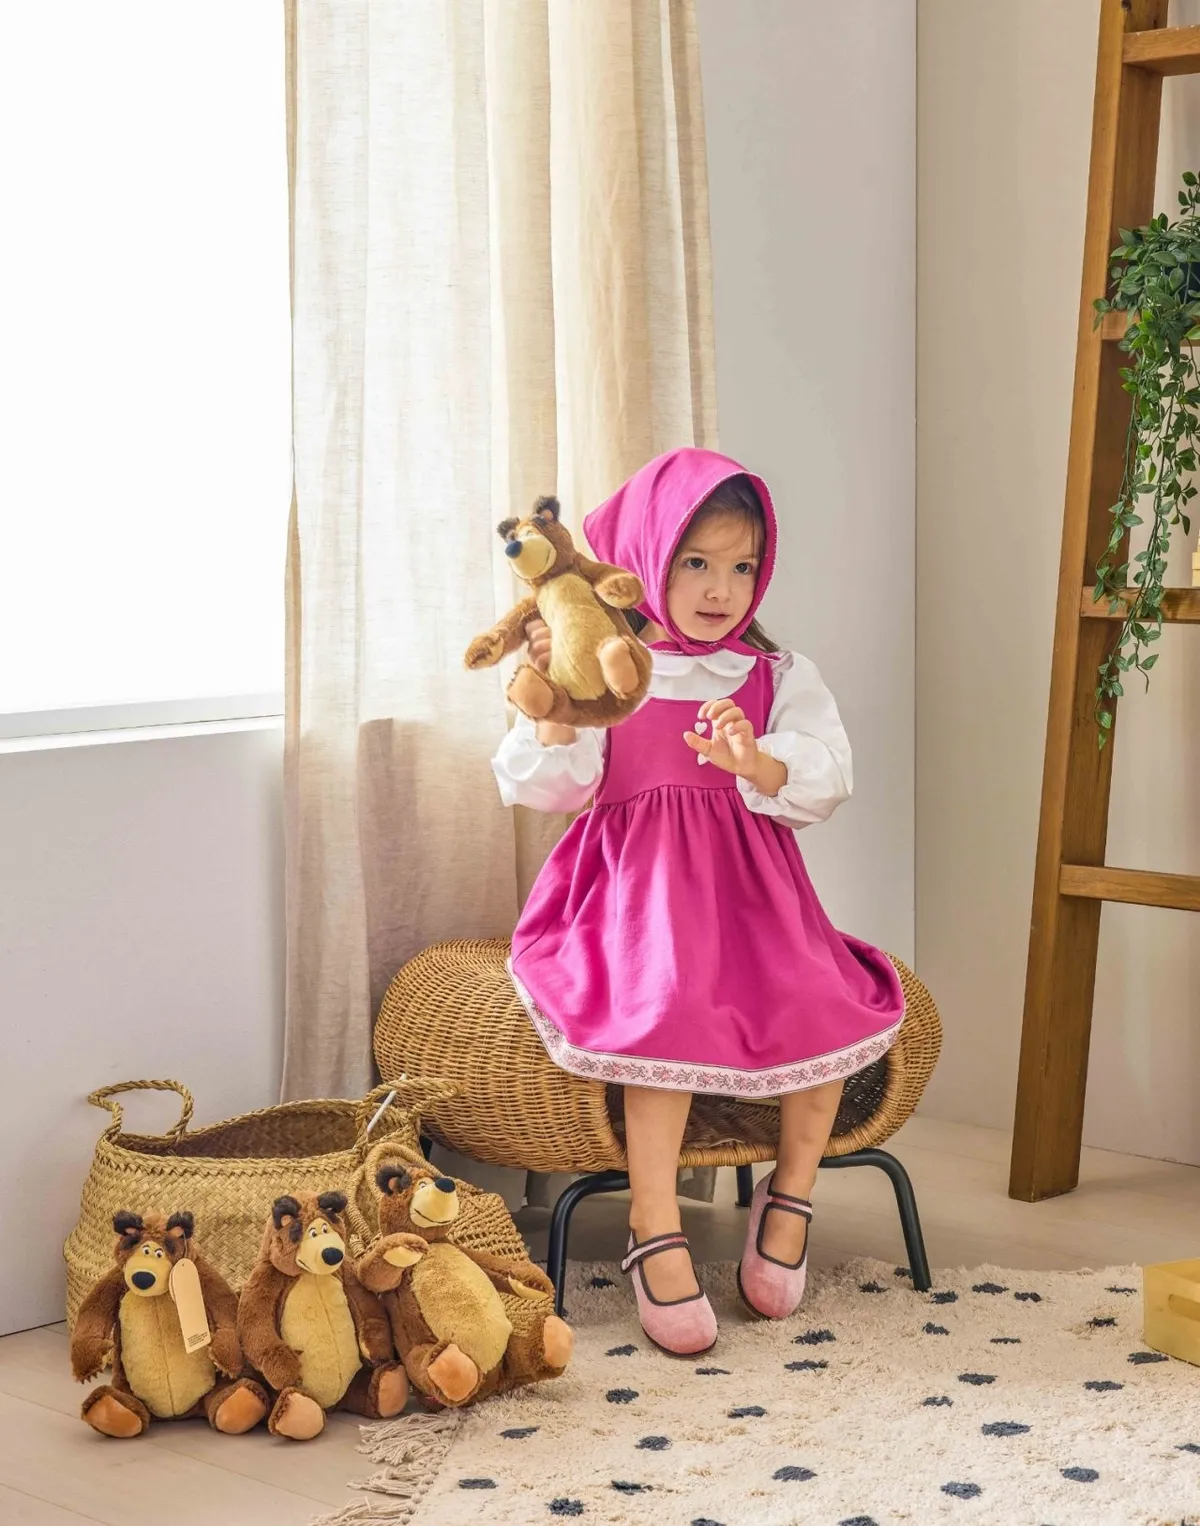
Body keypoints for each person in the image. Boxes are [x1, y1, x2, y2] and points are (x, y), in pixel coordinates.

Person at [491, 447, 904, 1355]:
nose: (723, 588)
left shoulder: (777, 672)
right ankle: (655, 1222)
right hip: (632, 893)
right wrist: (556, 705)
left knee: (822, 995)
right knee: (665, 1006)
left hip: (755, 899)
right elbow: (548, 787)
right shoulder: (612, 669)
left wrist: (755, 762)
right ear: (646, 559)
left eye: (743, 566)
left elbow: (826, 778)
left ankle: (791, 1196)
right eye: (697, 562)